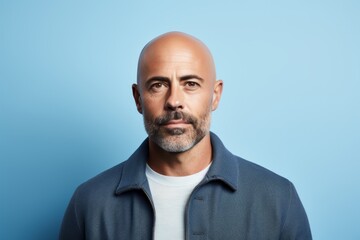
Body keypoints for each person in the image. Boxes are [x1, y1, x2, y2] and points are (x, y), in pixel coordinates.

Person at [59, 31, 312, 240]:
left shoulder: (278, 198)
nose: (174, 101)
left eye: (190, 84)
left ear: (215, 95)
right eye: (158, 85)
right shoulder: (89, 203)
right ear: (138, 99)